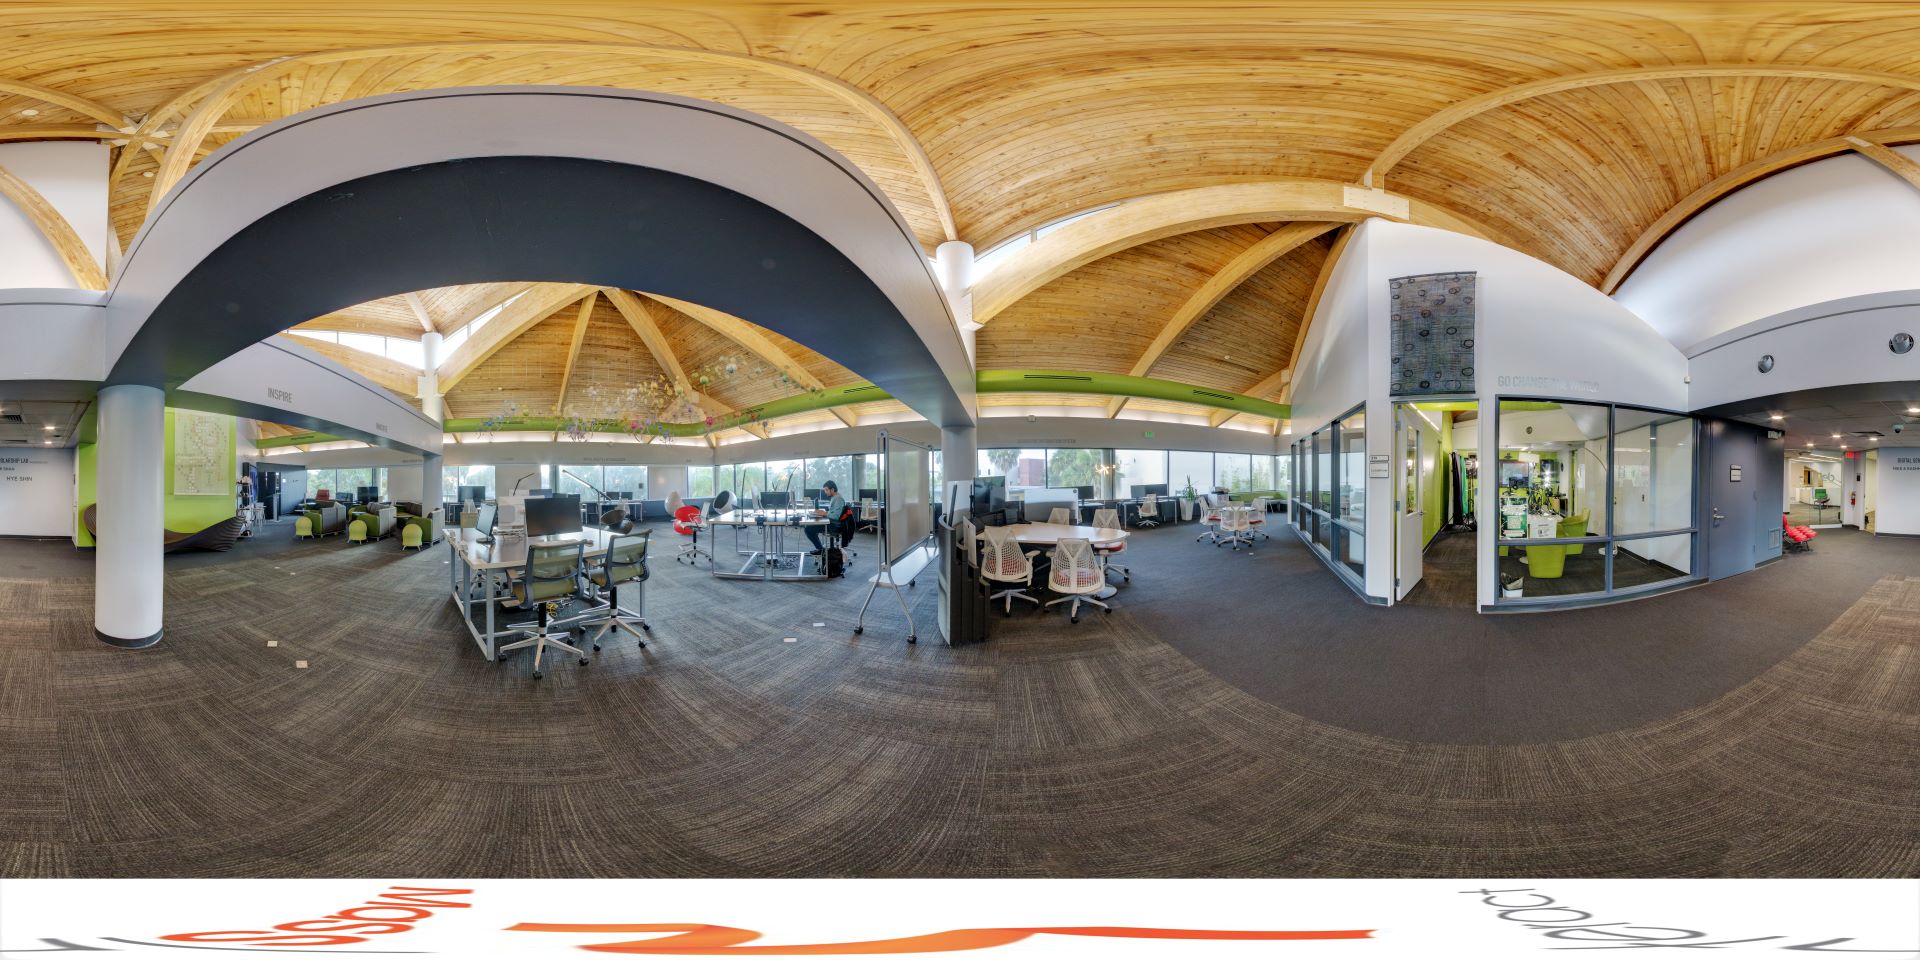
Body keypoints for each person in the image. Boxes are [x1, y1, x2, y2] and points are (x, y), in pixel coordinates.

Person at [806, 480, 850, 555]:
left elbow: (836, 516)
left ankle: (820, 549)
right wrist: (823, 513)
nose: (825, 492)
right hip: (833, 523)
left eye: (826, 490)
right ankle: (820, 549)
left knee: (808, 529)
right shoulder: (834, 497)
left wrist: (824, 513)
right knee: (811, 527)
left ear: (832, 490)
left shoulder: (838, 499)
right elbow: (833, 512)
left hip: (835, 525)